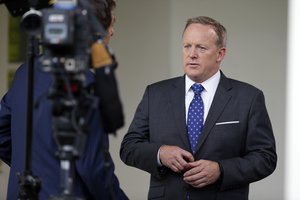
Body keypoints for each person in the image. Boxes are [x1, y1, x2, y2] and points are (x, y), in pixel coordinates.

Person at [120, 16, 277, 200]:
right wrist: (160, 153)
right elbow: (129, 147)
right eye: (187, 46)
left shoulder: (249, 98)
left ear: (220, 54)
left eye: (201, 48)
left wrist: (221, 170)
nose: (191, 54)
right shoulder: (155, 94)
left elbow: (265, 157)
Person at [0, 0, 128, 199]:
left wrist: (34, 168)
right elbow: (93, 169)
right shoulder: (87, 84)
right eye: (111, 24)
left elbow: (1, 132)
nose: (112, 32)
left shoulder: (26, 72)